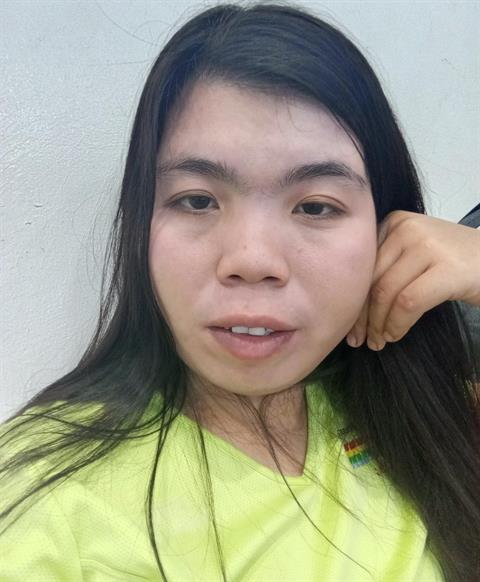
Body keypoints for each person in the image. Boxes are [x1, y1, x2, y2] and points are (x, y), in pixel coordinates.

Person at [1, 2, 479, 581]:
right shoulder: (43, 498)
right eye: (197, 200)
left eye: (316, 206)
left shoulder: (409, 406)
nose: (252, 260)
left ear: (383, 228)